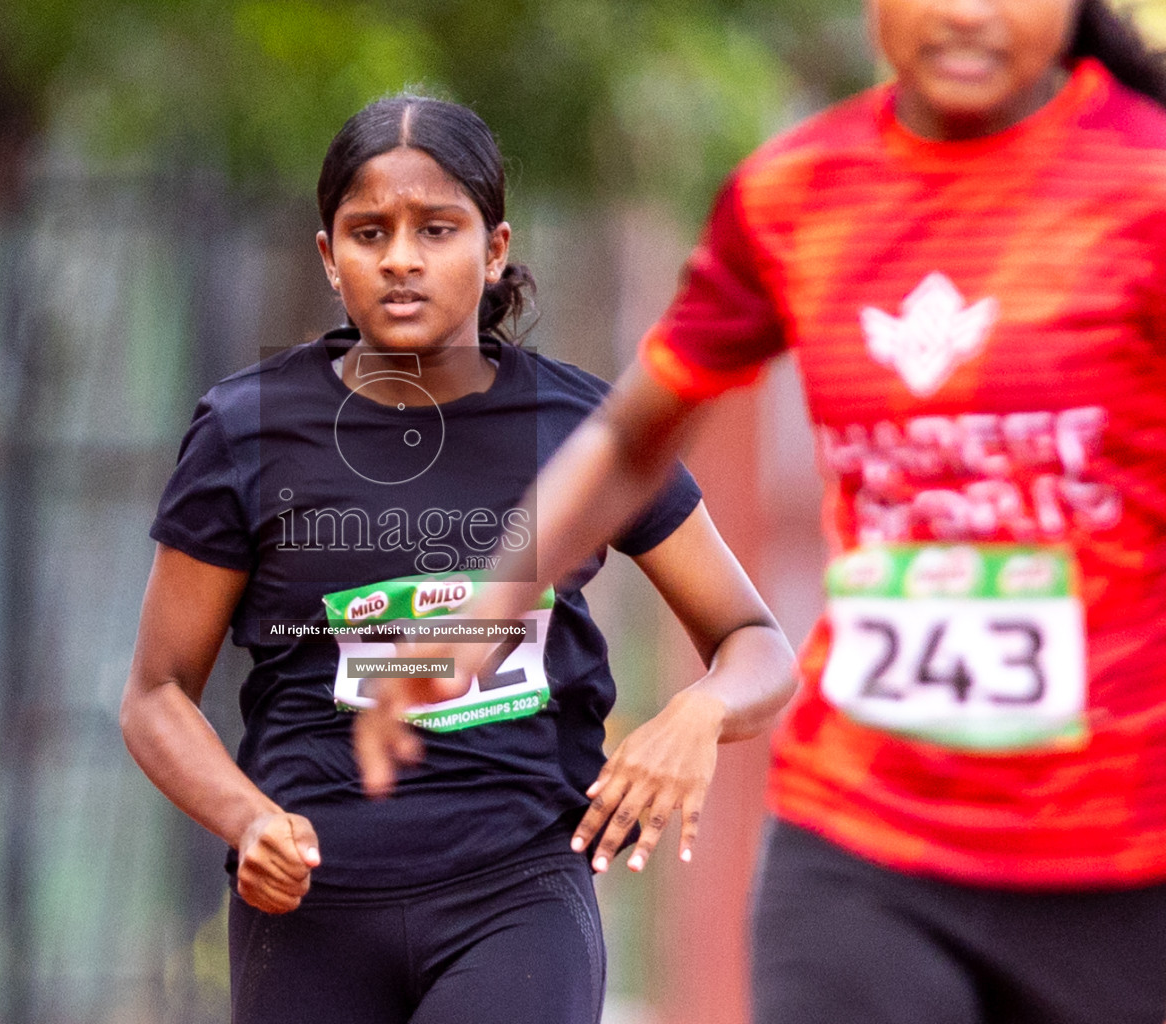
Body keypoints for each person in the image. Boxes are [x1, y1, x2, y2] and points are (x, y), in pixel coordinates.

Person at [355, 2, 1166, 1023]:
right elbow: (630, 436)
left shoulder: (1144, 189)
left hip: (1125, 853)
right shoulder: (799, 195)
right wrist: (487, 603)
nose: (967, 11)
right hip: (865, 840)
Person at [119, 94, 796, 1024]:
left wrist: (699, 712)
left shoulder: (581, 432)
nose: (400, 258)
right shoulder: (249, 427)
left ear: (494, 248)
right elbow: (156, 695)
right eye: (368, 232)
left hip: (517, 892)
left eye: (437, 228)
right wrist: (247, 820)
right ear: (329, 257)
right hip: (311, 903)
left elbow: (757, 640)